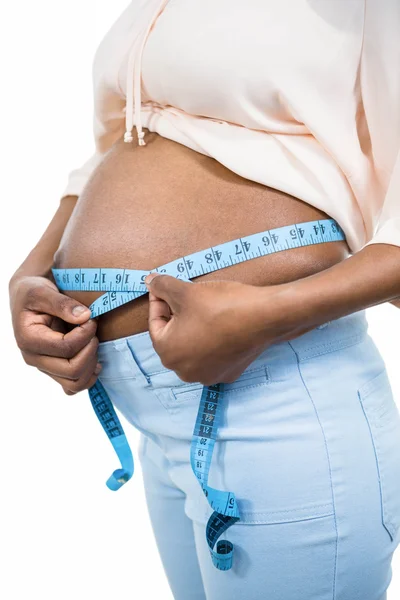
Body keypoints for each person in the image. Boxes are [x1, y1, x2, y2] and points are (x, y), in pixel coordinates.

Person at [8, 1, 400, 598]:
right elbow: (123, 144)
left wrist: (267, 315)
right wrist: (30, 274)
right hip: (158, 418)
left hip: (281, 394)